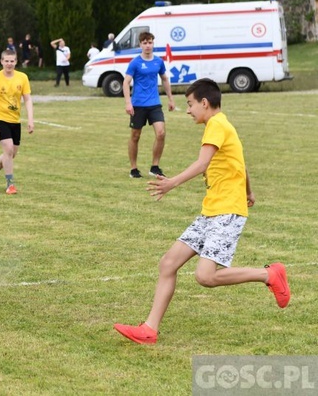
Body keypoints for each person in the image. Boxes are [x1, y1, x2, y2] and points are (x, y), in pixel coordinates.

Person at [113, 78, 290, 345]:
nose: (188, 110)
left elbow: (202, 162)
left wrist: (172, 182)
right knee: (168, 264)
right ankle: (149, 329)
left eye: (190, 104)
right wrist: (249, 191)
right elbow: (240, 162)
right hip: (212, 211)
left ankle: (269, 274)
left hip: (227, 211)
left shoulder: (216, 125)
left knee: (205, 276)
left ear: (204, 103)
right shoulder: (223, 125)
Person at [122, 31, 175, 179]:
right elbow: (126, 82)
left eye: (150, 42)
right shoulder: (135, 63)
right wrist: (128, 102)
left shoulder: (158, 61)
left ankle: (155, 167)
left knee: (161, 133)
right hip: (138, 104)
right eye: (144, 43)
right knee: (135, 135)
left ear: (153, 43)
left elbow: (164, 79)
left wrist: (170, 98)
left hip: (154, 104)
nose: (147, 45)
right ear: (140, 45)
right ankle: (134, 168)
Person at [0, 49, 34, 195]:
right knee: (9, 149)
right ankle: (10, 184)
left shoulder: (22, 77)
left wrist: (30, 119)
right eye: (6, 61)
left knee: (11, 153)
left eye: (12, 61)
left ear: (16, 62)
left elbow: (28, 99)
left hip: (15, 120)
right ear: (1, 61)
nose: (9, 64)